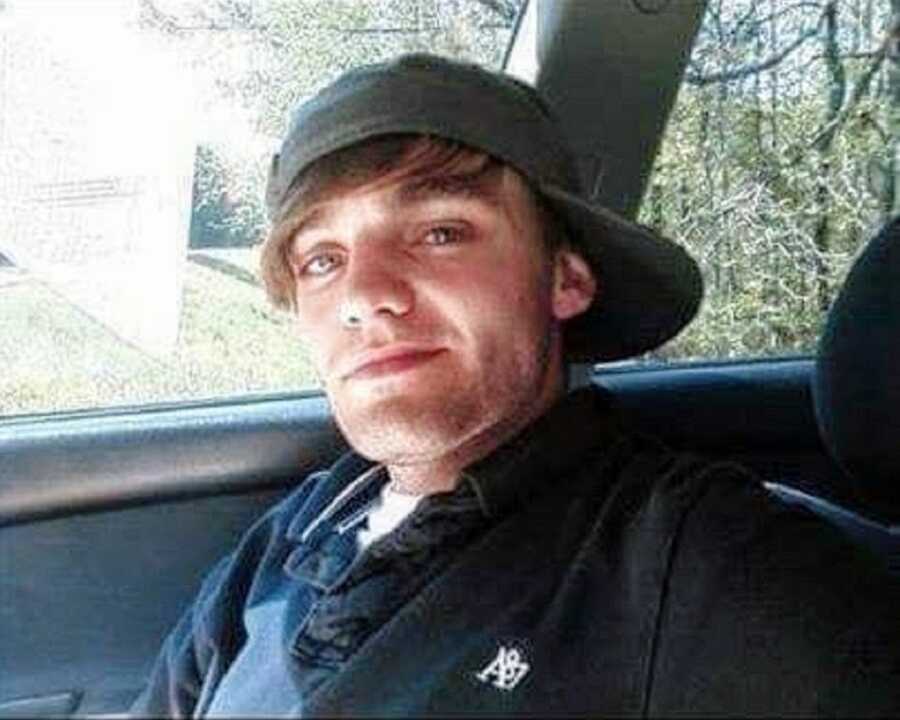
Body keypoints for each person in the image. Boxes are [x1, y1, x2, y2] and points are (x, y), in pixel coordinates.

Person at [131, 54, 898, 717]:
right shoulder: (298, 531)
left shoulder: (697, 563)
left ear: (564, 278)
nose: (364, 294)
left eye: (439, 233)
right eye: (322, 259)